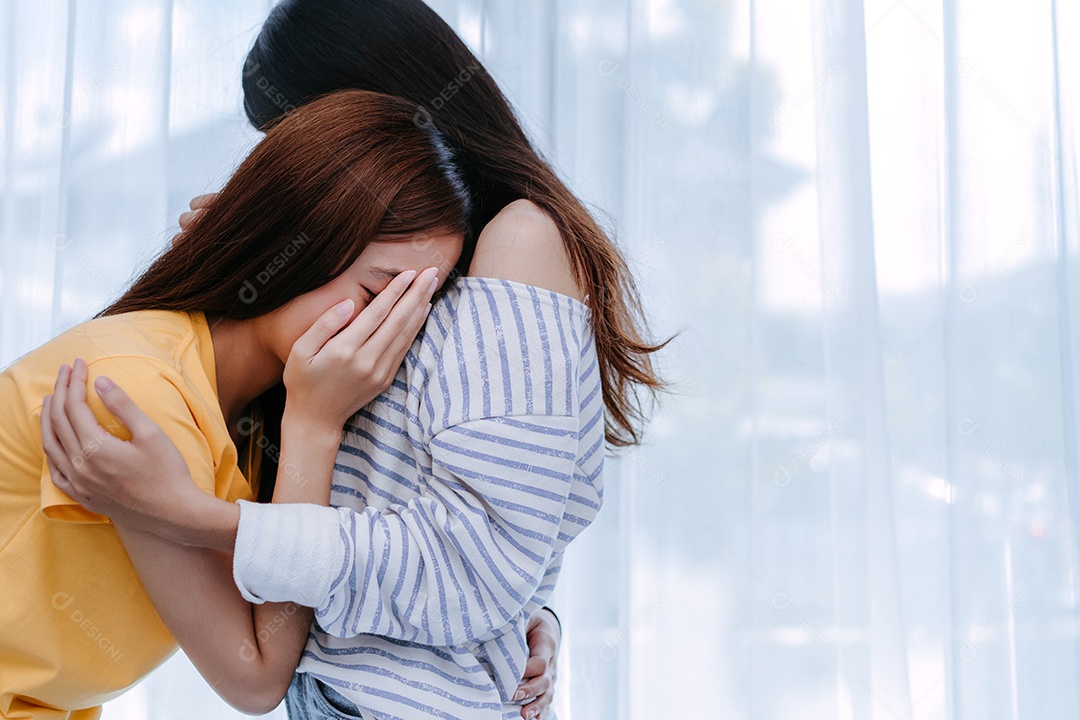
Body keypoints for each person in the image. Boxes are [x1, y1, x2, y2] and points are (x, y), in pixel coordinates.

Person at [45, 0, 670, 718]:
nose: (311, 170)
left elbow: (480, 562)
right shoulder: (425, 272)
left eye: (312, 142)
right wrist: (251, 281)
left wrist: (187, 516)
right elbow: (440, 503)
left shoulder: (520, 240)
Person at [0, 89, 468, 719]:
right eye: (378, 295)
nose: (386, 334)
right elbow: (256, 675)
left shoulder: (248, 425)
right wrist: (314, 423)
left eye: (414, 314)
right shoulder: (136, 392)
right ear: (297, 245)